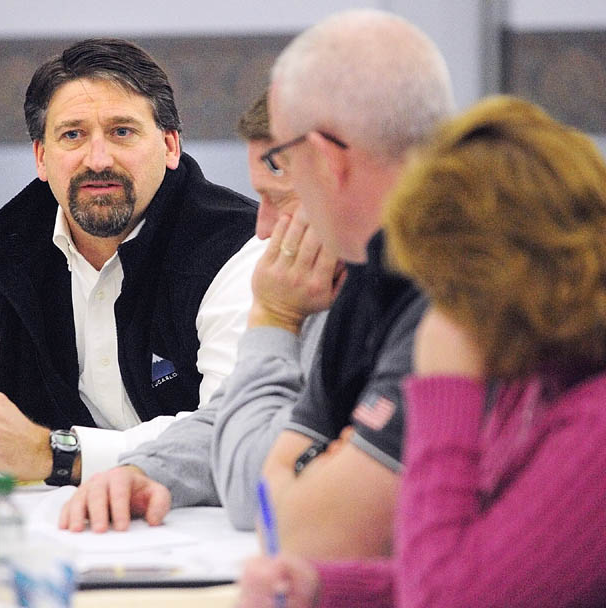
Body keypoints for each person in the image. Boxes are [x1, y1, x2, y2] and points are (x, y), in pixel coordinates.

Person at [239, 95, 606, 607]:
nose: (435, 308)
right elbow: (489, 573)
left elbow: (444, 597)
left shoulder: (594, 423)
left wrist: (445, 389)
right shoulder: (539, 381)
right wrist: (321, 587)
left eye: (444, 283)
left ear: (505, 273)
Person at [0, 38, 266, 485]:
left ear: (169, 146)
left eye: (122, 131)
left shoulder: (237, 247)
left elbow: (235, 435)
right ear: (42, 158)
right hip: (45, 535)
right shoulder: (3, 252)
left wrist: (58, 455)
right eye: (73, 135)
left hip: (198, 531)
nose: (98, 159)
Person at [58, 90, 341, 532]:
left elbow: (255, 491)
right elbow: (230, 422)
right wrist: (142, 471)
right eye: (72, 135)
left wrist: (274, 318)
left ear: (340, 174)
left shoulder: (415, 309)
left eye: (279, 199)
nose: (262, 229)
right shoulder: (339, 292)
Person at [259, 9, 454, 559]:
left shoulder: (462, 289)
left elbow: (308, 535)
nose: (287, 183)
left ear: (324, 158)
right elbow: (271, 509)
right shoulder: (369, 272)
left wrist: (318, 475)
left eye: (282, 159)